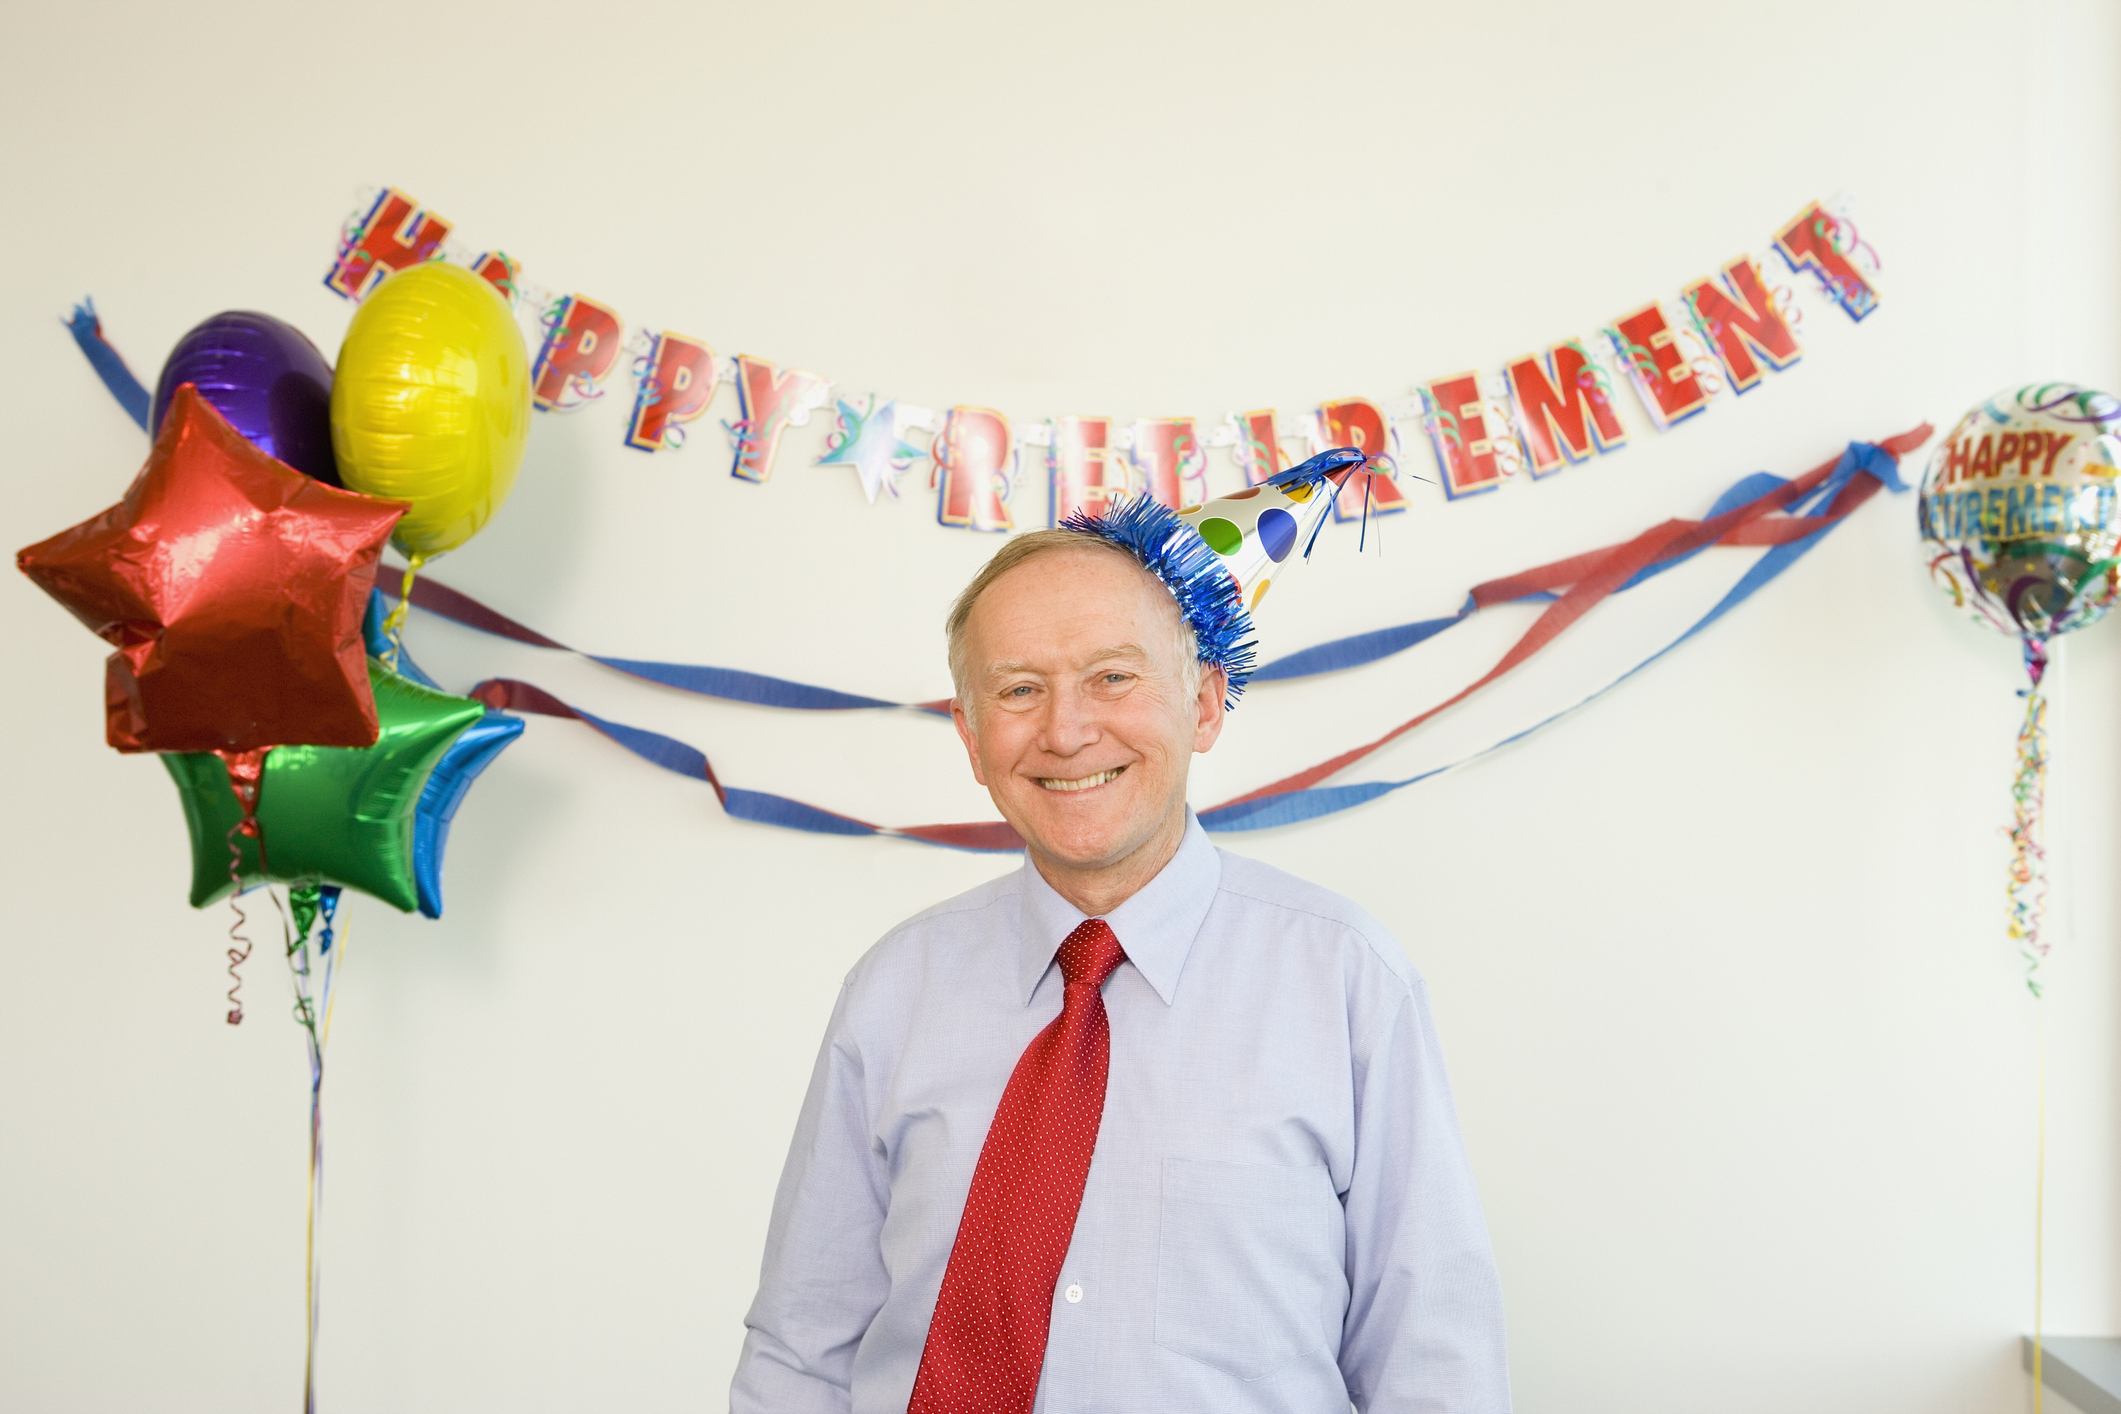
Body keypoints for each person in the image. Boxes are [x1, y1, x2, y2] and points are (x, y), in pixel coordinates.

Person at [731, 467, 1510, 1413]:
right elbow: (802, 1352)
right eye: (1019, 689)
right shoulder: (893, 992)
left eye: (1112, 677)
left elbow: (1432, 1361)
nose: (1066, 731)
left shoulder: (1347, 982)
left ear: (1206, 703)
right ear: (970, 737)